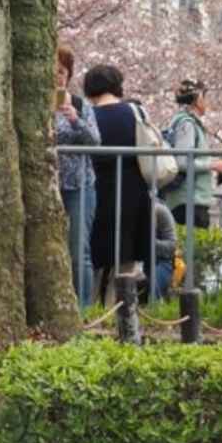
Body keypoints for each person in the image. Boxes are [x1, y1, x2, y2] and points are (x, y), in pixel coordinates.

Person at [85, 64, 153, 303]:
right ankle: (124, 309)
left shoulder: (89, 115)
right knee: (126, 258)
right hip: (133, 188)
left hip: (97, 188)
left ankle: (91, 306)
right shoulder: (134, 113)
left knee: (94, 254)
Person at [54, 45, 101, 306]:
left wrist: (75, 119)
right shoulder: (33, 104)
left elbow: (95, 141)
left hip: (79, 185)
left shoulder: (81, 105)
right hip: (46, 183)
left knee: (79, 250)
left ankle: (82, 307)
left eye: (61, 72)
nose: (57, 77)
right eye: (52, 72)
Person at [161, 78, 222, 230]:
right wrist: (213, 165)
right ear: (198, 99)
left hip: (186, 199)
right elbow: (183, 161)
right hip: (190, 200)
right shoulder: (187, 124)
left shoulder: (183, 122)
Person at [147, 197, 177, 302]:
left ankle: (153, 309)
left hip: (161, 261)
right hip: (134, 262)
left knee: (153, 283)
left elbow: (171, 246)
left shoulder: (160, 211)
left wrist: (149, 241)